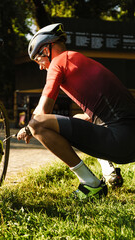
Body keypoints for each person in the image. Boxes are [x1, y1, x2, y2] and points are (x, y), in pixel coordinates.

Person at [17, 23, 135, 200]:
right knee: (80, 117)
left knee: (38, 125)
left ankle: (91, 184)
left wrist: (27, 128)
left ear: (46, 50)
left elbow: (41, 113)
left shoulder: (59, 62)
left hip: (120, 142)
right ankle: (107, 168)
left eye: (37, 60)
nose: (40, 67)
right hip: (130, 141)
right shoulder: (77, 59)